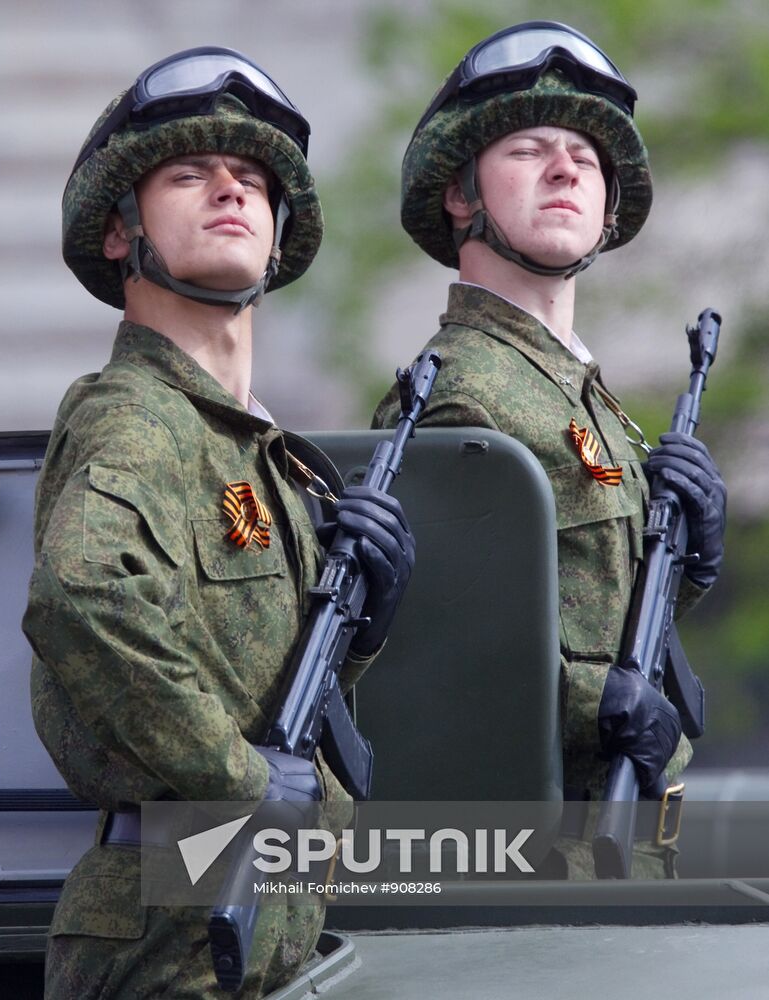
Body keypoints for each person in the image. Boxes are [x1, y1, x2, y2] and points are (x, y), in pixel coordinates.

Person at [22, 47, 414, 999]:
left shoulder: (250, 448)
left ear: (277, 237)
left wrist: (355, 632)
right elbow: (80, 595)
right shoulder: (139, 415)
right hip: (169, 924)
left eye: (251, 181)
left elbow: (253, 681)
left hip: (251, 917)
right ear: (122, 234)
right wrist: (236, 776)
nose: (230, 192)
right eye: (189, 176)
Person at [373, 21, 726, 878]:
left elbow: (583, 615)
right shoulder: (457, 392)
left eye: (584, 156)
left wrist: (688, 564)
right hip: (529, 860)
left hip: (619, 853)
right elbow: (428, 649)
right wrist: (592, 702)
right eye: (529, 149)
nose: (567, 167)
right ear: (461, 196)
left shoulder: (575, 394)